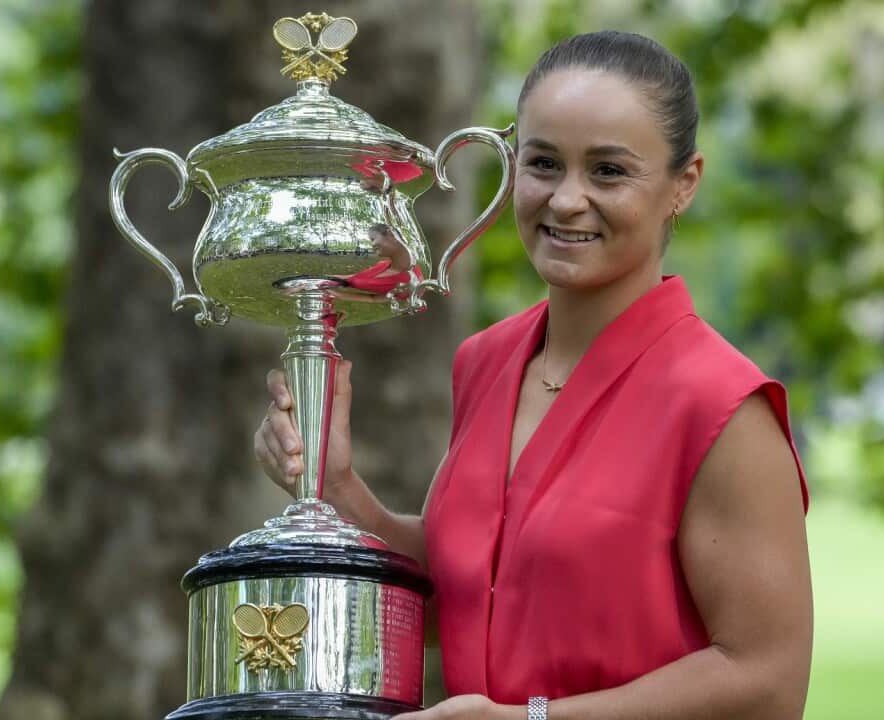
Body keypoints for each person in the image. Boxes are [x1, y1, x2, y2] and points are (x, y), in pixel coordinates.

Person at [254, 31, 812, 720]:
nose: (567, 200)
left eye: (608, 171)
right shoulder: (485, 361)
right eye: (544, 163)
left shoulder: (722, 405)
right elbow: (466, 599)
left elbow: (767, 680)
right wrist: (337, 485)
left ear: (683, 183)